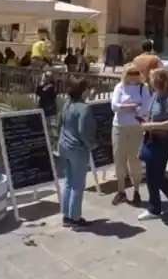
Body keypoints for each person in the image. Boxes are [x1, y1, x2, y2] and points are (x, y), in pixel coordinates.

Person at [137, 68, 168, 221]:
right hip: (150, 139)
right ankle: (161, 204)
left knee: (155, 175)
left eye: (151, 78)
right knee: (152, 175)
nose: (148, 80)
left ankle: (164, 202)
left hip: (162, 142)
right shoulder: (155, 95)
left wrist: (149, 126)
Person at [58, 77, 96, 228]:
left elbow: (60, 123)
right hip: (77, 149)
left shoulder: (67, 104)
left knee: (68, 181)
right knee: (78, 184)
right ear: (84, 90)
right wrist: (91, 144)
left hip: (64, 146)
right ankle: (75, 218)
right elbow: (83, 131)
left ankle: (66, 216)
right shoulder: (84, 108)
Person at [110, 65, 148, 205]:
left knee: (135, 161)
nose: (133, 76)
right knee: (119, 159)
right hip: (119, 127)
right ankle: (121, 191)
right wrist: (130, 106)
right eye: (130, 73)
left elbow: (145, 107)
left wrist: (127, 106)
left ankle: (136, 191)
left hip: (136, 128)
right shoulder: (119, 87)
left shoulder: (143, 88)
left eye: (136, 73)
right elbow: (114, 106)